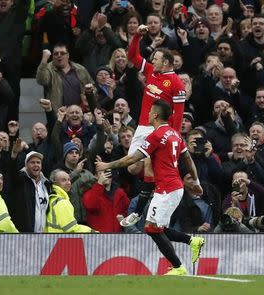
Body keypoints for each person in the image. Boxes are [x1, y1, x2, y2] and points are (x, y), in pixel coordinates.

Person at [96, 100, 205, 276]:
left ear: (155, 114)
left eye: (149, 112)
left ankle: (179, 267)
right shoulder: (175, 134)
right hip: (171, 186)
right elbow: (188, 160)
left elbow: (132, 159)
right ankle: (191, 242)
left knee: (151, 228)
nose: (147, 114)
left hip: (168, 188)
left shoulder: (155, 136)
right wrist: (197, 182)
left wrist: (107, 165)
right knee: (156, 227)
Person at [122, 24, 186, 226]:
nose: (152, 61)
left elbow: (179, 113)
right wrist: (136, 37)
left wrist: (171, 135)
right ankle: (153, 189)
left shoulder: (176, 83)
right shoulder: (151, 72)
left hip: (160, 129)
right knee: (133, 168)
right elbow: (133, 57)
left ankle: (141, 208)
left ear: (166, 62)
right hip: (142, 126)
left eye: (156, 58)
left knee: (148, 162)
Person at [45, 169, 96, 233]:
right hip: (60, 239)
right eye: (63, 180)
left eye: (69, 179)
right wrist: (91, 231)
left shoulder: (53, 197)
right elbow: (71, 228)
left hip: (51, 238)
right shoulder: (61, 202)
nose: (68, 182)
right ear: (55, 182)